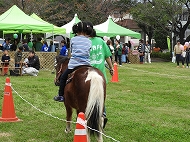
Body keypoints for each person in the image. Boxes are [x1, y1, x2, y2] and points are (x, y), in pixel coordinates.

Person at [54, 21, 93, 102]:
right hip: (86, 64)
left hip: (74, 64)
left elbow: (71, 51)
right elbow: (89, 51)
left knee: (63, 77)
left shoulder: (73, 39)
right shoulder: (89, 41)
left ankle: (61, 95)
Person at [89, 27, 113, 128]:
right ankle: (103, 115)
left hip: (89, 75)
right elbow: (107, 56)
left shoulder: (85, 42)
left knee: (89, 97)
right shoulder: (101, 41)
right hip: (101, 75)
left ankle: (89, 117)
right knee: (100, 97)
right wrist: (111, 68)